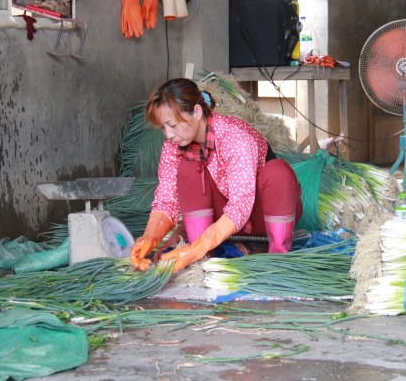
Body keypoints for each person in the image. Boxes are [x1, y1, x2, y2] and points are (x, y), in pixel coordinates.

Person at [130, 78, 303, 273]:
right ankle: (201, 259)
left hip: (262, 214)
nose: (169, 134)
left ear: (196, 112)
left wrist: (194, 249)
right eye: (163, 127)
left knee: (278, 172)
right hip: (223, 222)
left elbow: (240, 206)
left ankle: (277, 259)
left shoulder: (235, 137)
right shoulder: (173, 146)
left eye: (173, 124)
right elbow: (166, 201)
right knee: (188, 168)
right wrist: (149, 238)